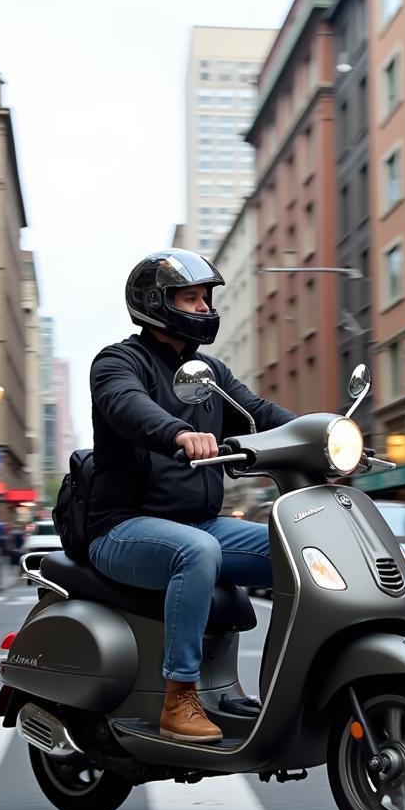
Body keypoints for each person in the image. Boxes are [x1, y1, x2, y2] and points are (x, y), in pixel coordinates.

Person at [87, 248, 295, 744]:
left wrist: (325, 434)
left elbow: (257, 412)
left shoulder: (209, 374)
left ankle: (286, 682)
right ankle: (179, 695)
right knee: (196, 551)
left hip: (199, 520)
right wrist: (178, 433)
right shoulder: (118, 362)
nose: (204, 307)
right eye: (192, 298)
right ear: (157, 303)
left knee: (298, 550)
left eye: (205, 298)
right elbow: (126, 403)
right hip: (123, 526)